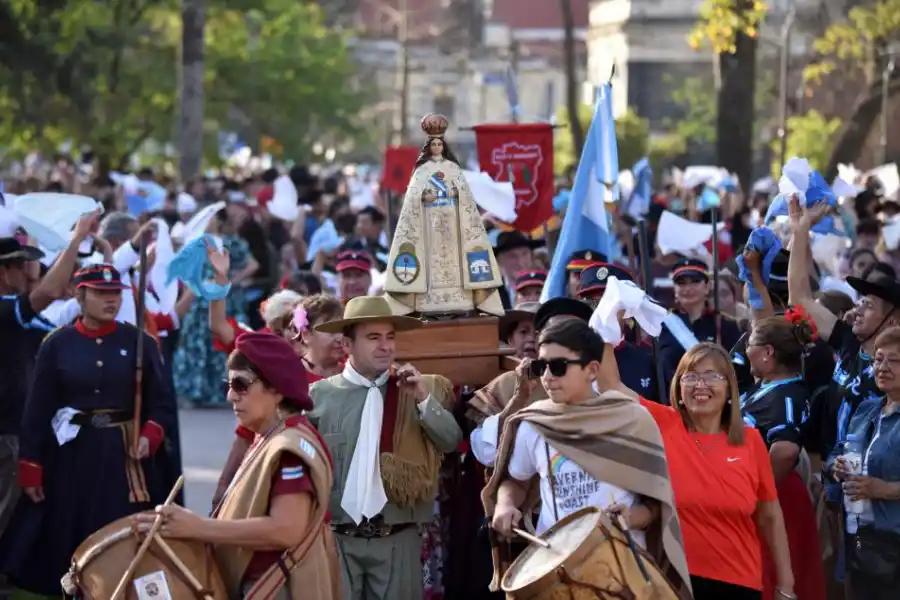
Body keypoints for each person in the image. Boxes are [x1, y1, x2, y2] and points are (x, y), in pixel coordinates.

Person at [0, 264, 175, 596]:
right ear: (78, 296)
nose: (111, 300)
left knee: (123, 529)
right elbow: (37, 411)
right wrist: (31, 465)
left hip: (123, 456)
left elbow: (161, 403)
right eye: (101, 293)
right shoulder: (57, 344)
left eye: (115, 294)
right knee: (70, 527)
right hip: (72, 455)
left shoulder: (140, 343)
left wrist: (149, 435)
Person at [484, 319, 690, 593]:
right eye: (541, 366)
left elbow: (657, 504)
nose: (548, 376)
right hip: (555, 570)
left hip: (624, 570)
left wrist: (632, 518)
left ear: (592, 370)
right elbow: (516, 482)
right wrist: (505, 504)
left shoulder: (631, 420)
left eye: (558, 367)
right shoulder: (534, 423)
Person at [136, 332, 340, 599]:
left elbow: (286, 529)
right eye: (229, 384)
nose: (230, 395)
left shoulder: (288, 448)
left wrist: (198, 527)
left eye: (241, 385)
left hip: (280, 588)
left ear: (276, 390)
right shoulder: (270, 435)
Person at [307, 295, 462, 600]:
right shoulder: (319, 396)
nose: (386, 346)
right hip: (338, 539)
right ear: (347, 345)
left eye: (390, 337)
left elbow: (450, 440)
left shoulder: (415, 389)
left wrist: (422, 398)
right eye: (373, 337)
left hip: (398, 537)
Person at [637, 342, 795, 600]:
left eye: (712, 376)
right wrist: (611, 325)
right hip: (678, 582)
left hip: (741, 583)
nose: (700, 385)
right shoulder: (665, 424)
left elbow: (770, 517)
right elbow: (612, 389)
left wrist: (786, 585)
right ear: (679, 388)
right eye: (691, 377)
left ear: (729, 388)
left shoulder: (751, 441)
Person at [0, 214, 98, 542]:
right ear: (3, 272)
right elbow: (52, 289)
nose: (28, 271)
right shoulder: (6, 311)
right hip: (4, 434)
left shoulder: (16, 315)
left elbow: (55, 331)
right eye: (20, 265)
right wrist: (77, 238)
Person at [212, 293, 345, 509]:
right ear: (305, 333)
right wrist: (224, 485)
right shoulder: (284, 376)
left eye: (342, 328)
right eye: (329, 329)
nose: (339, 337)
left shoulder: (355, 376)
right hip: (291, 487)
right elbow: (245, 436)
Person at [384, 113, 505, 316]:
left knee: (454, 263)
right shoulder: (421, 171)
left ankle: (462, 298)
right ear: (429, 147)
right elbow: (411, 202)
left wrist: (454, 194)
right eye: (434, 145)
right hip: (429, 229)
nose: (437, 148)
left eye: (439, 145)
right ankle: (426, 300)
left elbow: (466, 201)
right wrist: (425, 197)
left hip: (453, 228)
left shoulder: (453, 169)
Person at [742, 316, 826, 600]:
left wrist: (757, 495)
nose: (745, 351)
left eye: (749, 344)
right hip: (768, 492)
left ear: (768, 352)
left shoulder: (787, 394)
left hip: (777, 497)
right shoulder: (769, 385)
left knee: (772, 578)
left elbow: (786, 450)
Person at [826, 330, 900, 599]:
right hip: (858, 541)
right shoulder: (866, 409)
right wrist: (836, 467)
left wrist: (885, 489)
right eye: (878, 359)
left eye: (894, 360)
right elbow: (838, 451)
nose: (883, 367)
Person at [658, 256, 742, 387]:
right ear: (674, 289)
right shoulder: (660, 325)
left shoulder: (725, 325)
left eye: (695, 281)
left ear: (707, 286)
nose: (688, 288)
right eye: (681, 283)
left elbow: (737, 369)